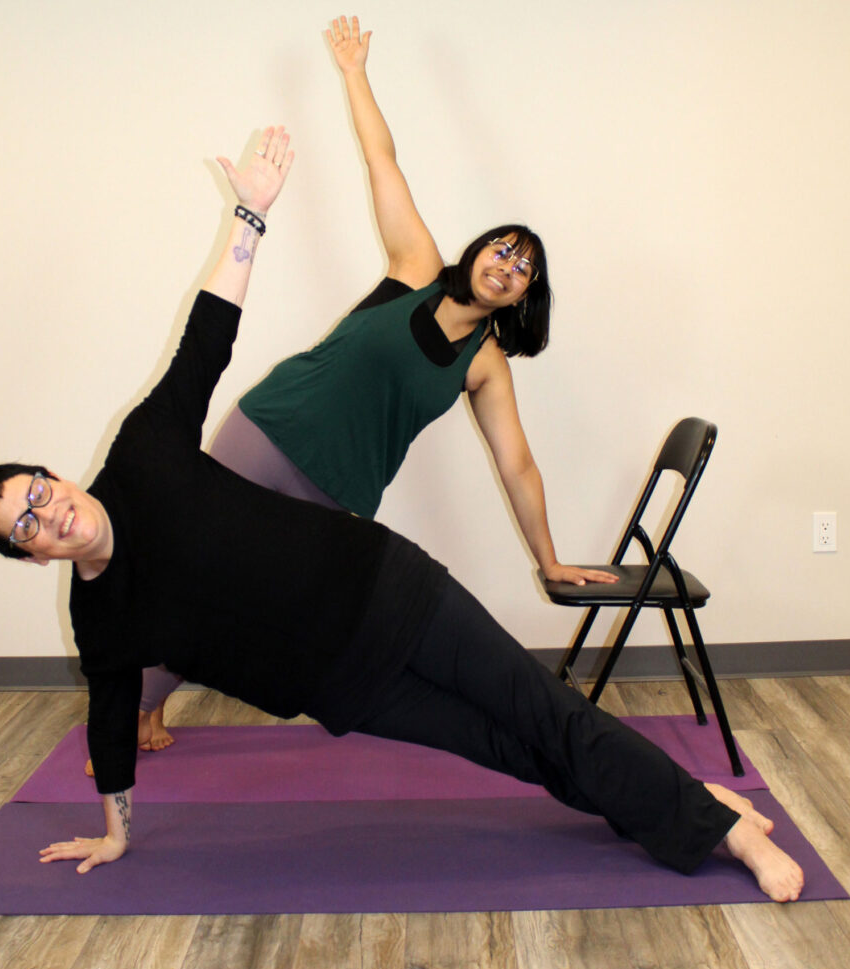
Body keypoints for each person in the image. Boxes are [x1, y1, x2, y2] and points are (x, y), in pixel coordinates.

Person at [0, 125, 804, 902]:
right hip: (345, 685)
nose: (49, 516)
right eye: (26, 527)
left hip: (389, 591)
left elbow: (207, 335)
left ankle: (718, 826)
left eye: (39, 494)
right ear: (30, 557)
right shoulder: (100, 613)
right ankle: (687, 799)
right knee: (514, 749)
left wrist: (251, 216)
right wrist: (114, 833)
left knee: (541, 713)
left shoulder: (144, 451)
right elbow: (109, 716)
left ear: (54, 476)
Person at [130, 16, 618, 755]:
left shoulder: (484, 364)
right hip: (269, 430)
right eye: (503, 249)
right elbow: (380, 159)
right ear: (477, 248)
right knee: (193, 563)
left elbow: (517, 464)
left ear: (523, 299)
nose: (508, 266)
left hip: (341, 489)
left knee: (258, 599)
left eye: (524, 270)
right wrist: (354, 72)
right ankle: (138, 704)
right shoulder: (416, 265)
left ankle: (179, 689)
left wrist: (547, 559)